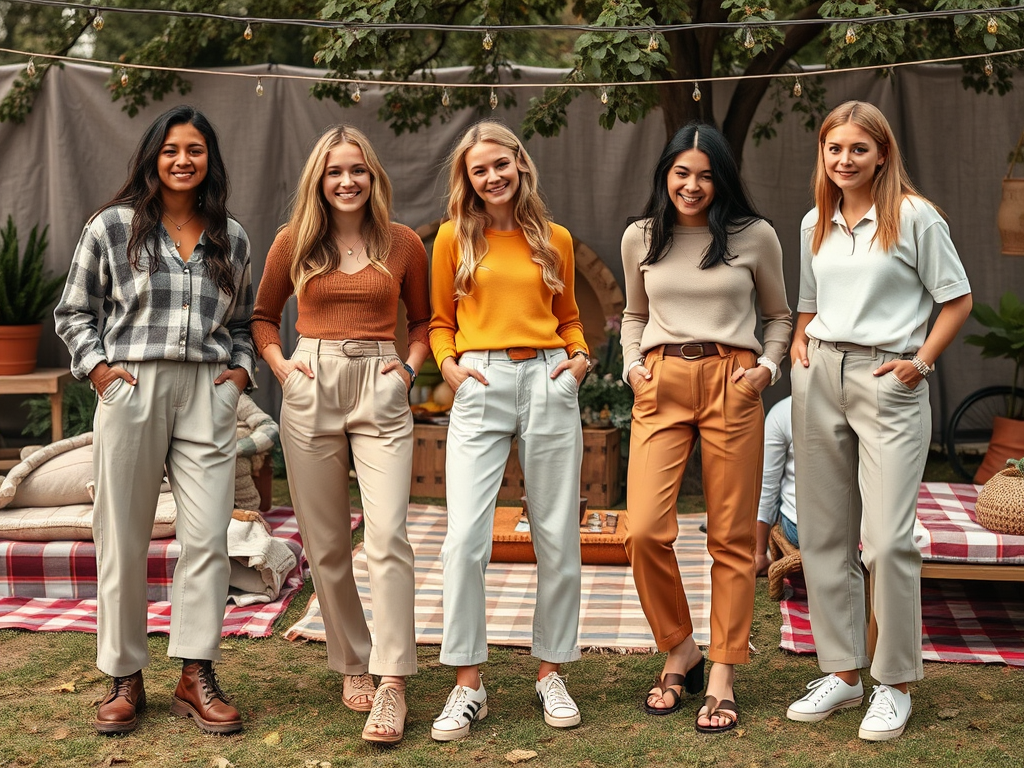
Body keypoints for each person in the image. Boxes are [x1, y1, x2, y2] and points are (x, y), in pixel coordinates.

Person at [54, 105, 255, 735]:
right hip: (132, 384)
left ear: (209, 161)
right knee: (121, 536)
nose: (183, 160)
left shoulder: (233, 236)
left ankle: (195, 675)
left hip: (207, 389)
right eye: (171, 149)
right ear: (152, 156)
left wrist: (240, 374)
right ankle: (123, 676)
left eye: (195, 149)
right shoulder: (113, 228)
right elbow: (74, 312)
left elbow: (245, 323)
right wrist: (98, 372)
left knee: (208, 537)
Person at [785, 101, 972, 741]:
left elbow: (957, 299)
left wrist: (919, 364)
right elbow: (810, 305)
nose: (844, 160)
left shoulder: (916, 219)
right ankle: (842, 673)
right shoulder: (817, 219)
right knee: (824, 536)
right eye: (834, 149)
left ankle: (894, 684)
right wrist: (799, 347)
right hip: (820, 379)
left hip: (888, 380)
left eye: (858, 150)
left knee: (888, 540)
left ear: (882, 153)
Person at [251, 125, 429, 744]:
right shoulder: (293, 242)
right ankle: (352, 660)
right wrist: (280, 365)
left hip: (380, 385)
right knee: (326, 543)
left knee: (387, 536)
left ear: (373, 176)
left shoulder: (403, 243)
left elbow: (427, 321)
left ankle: (393, 679)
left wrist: (407, 371)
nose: (347, 181)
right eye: (335, 172)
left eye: (357, 170)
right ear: (318, 181)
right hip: (312, 381)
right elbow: (263, 317)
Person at [620, 122, 791, 733]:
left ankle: (721, 670)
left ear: (723, 179)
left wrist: (766, 370)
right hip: (661, 382)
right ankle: (679, 648)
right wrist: (632, 365)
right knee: (642, 529)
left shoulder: (754, 236)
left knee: (732, 537)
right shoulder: (642, 236)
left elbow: (779, 314)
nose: (692, 186)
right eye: (681, 173)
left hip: (732, 380)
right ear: (665, 174)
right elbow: (634, 314)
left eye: (705, 175)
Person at [428, 120, 591, 741]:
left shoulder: (556, 239)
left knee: (556, 535)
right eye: (479, 170)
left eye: (501, 164)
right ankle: (469, 684)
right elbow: (441, 322)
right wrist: (452, 370)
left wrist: (575, 364)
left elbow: (569, 317)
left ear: (520, 165)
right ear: (467, 180)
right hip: (483, 382)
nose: (492, 176)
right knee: (464, 538)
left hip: (550, 378)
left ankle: (551, 672)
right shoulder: (452, 239)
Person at [755, 396, 797, 576]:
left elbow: (768, 488)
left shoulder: (783, 411)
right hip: (863, 530)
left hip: (800, 529)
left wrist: (759, 554)